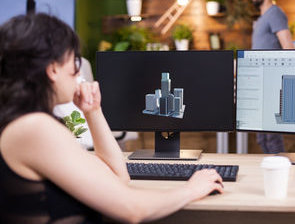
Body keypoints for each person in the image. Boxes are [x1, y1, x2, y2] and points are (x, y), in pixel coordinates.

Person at [0, 13, 224, 223]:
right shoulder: (34, 128)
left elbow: (119, 177)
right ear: (53, 69)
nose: (79, 73)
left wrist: (93, 111)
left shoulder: (25, 124)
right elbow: (132, 209)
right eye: (75, 62)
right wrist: (191, 189)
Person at [249, 0, 294, 154]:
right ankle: (271, 170)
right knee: (263, 136)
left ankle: (279, 170)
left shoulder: (275, 13)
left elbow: (289, 48)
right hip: (260, 83)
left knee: (271, 136)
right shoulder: (262, 18)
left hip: (271, 84)